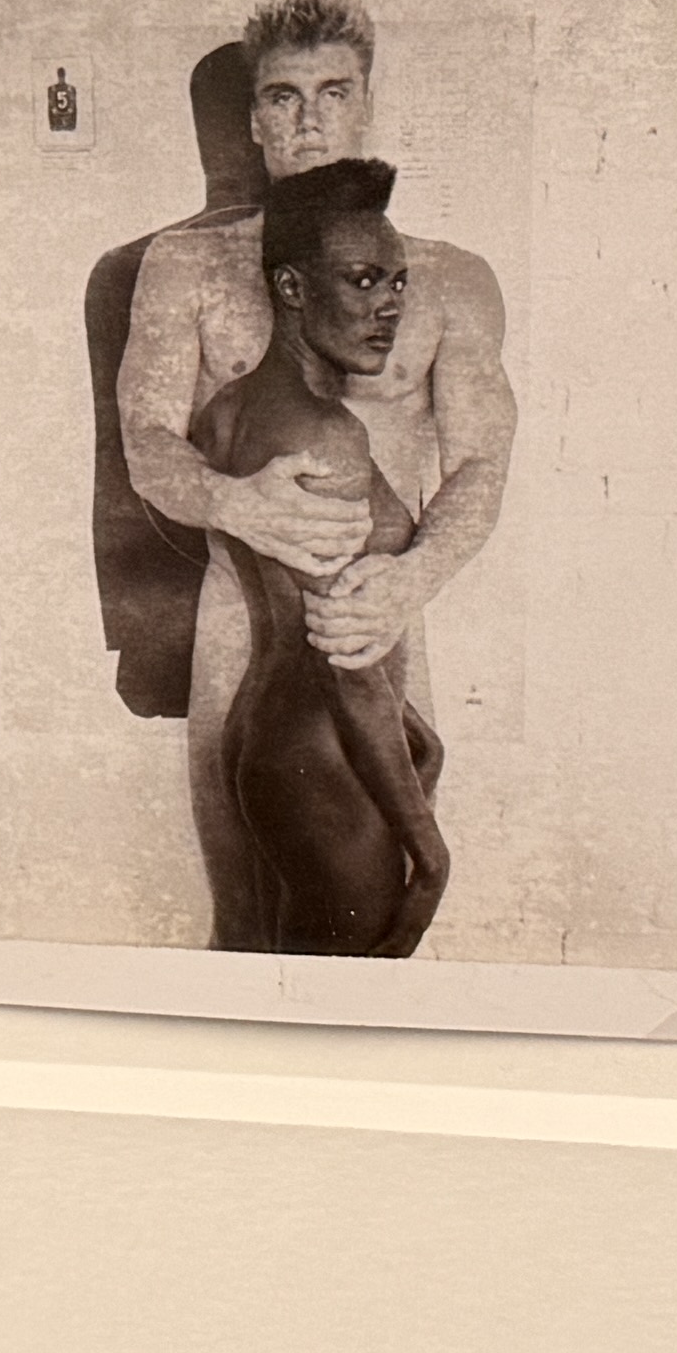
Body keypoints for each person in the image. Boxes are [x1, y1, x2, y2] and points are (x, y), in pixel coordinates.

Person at [107, 0, 517, 948]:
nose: (309, 120)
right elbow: (145, 442)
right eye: (283, 96)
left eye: (334, 93)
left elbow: (482, 462)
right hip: (240, 622)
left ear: (366, 104)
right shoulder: (187, 268)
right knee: (247, 915)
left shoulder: (448, 279)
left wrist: (409, 580)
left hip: (380, 616)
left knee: (370, 916)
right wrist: (234, 503)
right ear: (254, 119)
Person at [189, 162, 452, 955]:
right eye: (363, 280)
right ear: (293, 288)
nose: (390, 306)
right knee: (347, 1002)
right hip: (331, 755)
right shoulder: (328, 437)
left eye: (398, 282)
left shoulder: (231, 409)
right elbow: (348, 667)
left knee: (285, 981)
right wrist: (432, 858)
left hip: (269, 732)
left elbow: (286, 592)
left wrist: (417, 733)